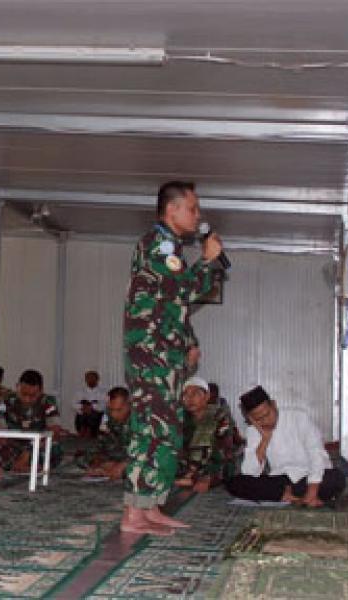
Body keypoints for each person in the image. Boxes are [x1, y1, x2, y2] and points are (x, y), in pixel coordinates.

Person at [122, 180, 223, 535]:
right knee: (150, 430)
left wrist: (189, 341)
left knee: (165, 431)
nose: (198, 215)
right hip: (151, 354)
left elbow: (171, 306)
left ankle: (150, 506)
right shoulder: (159, 244)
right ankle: (133, 514)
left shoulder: (171, 247)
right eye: (192, 208)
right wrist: (209, 260)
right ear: (172, 210)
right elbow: (187, 290)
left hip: (164, 352)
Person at [226, 385, 345, 507]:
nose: (266, 421)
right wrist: (265, 439)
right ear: (251, 419)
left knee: (336, 478)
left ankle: (291, 495)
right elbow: (249, 472)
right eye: (258, 419)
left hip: (308, 475)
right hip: (280, 480)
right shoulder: (253, 431)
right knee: (235, 483)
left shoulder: (299, 418)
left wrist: (312, 491)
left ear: (274, 405)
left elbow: (316, 454)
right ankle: (292, 497)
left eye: (267, 414)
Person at [174, 377, 235, 493]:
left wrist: (208, 477)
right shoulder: (179, 419)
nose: (190, 398)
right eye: (185, 395)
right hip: (186, 470)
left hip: (210, 470)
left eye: (195, 393)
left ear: (207, 396)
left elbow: (224, 456)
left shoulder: (220, 419)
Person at [0, 369, 64, 472]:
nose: (27, 399)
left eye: (33, 396)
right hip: (13, 444)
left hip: (37, 445)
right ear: (17, 387)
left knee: (55, 449)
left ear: (41, 391)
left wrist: (30, 450)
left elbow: (54, 431)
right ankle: (27, 466)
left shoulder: (47, 402)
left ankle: (23, 465)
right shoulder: (6, 401)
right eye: (23, 394)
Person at [76, 387, 132, 480]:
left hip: (131, 456)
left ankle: (117, 469)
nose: (114, 414)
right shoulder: (107, 416)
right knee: (81, 458)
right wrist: (96, 463)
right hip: (113, 454)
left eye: (118, 410)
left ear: (128, 405)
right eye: (111, 409)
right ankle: (110, 468)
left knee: (142, 467)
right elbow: (101, 444)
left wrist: (122, 465)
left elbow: (145, 452)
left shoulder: (141, 420)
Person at [75, 370, 106, 437]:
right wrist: (83, 407)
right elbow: (73, 404)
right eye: (89, 378)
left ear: (97, 379)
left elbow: (104, 406)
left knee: (92, 413)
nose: (91, 380)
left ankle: (89, 432)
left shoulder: (103, 392)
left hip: (96, 415)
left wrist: (92, 407)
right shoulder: (80, 391)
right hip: (82, 413)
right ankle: (82, 431)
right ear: (86, 379)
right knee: (83, 411)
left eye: (93, 378)